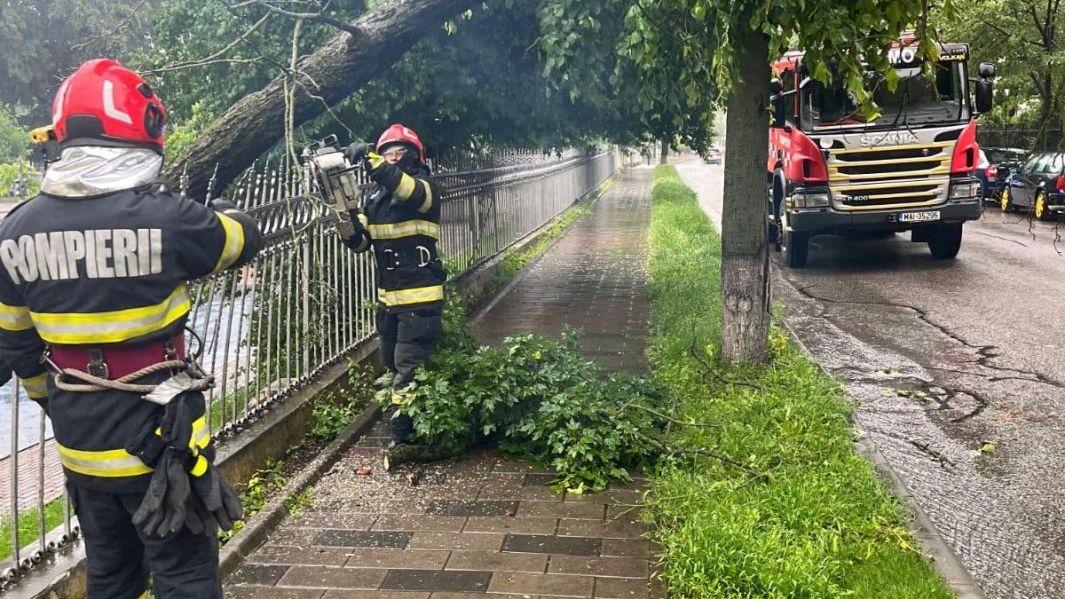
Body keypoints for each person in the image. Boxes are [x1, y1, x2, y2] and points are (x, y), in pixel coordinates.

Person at [0, 59, 261, 599]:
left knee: (112, 575)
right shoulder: (171, 219)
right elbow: (241, 240)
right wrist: (226, 211)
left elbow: (17, 345)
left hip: (81, 447)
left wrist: (58, 401)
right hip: (162, 448)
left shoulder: (15, 231)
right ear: (142, 130)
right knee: (184, 574)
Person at [340, 124, 445, 446]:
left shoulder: (424, 188)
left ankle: (403, 436)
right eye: (388, 152)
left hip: (420, 300)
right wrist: (342, 214)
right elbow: (360, 244)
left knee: (407, 368)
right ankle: (415, 420)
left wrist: (373, 161)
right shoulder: (375, 197)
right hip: (389, 301)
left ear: (414, 156)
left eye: (399, 152)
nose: (393, 158)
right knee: (390, 363)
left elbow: (407, 189)